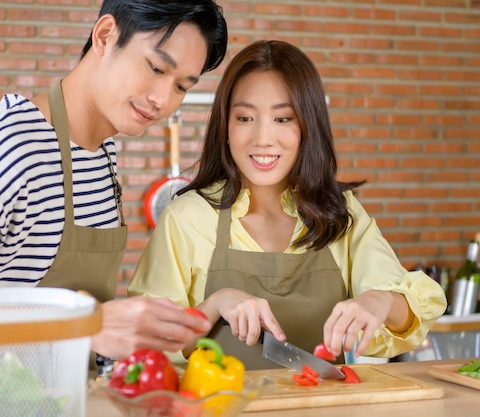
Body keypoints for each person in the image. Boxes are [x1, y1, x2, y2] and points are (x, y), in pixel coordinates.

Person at [0, 0, 228, 360]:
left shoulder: (102, 153)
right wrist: (85, 324)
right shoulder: (10, 145)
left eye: (181, 87)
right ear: (105, 36)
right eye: (157, 67)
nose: (162, 99)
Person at [129, 40, 447, 370]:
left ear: (308, 128)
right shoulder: (187, 218)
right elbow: (143, 344)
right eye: (244, 118)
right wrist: (213, 306)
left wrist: (381, 300)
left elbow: (415, 312)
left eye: (283, 119)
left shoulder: (341, 214)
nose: (263, 138)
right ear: (225, 127)